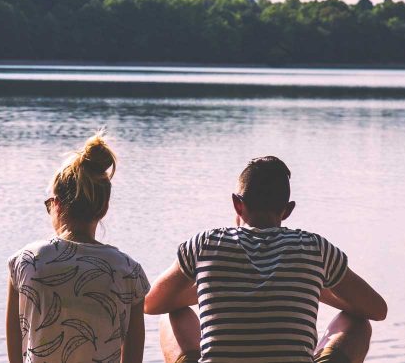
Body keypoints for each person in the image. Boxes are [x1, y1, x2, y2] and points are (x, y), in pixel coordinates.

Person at [145, 156, 388, 363]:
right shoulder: (315, 247)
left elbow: (151, 304)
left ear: (236, 205)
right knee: (357, 320)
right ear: (288, 210)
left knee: (173, 313)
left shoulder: (206, 243)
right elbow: (377, 309)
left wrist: (214, 288)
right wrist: (314, 287)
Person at [6, 131, 150, 363]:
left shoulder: (25, 262)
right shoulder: (129, 271)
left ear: (57, 205)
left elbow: (15, 346)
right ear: (104, 207)